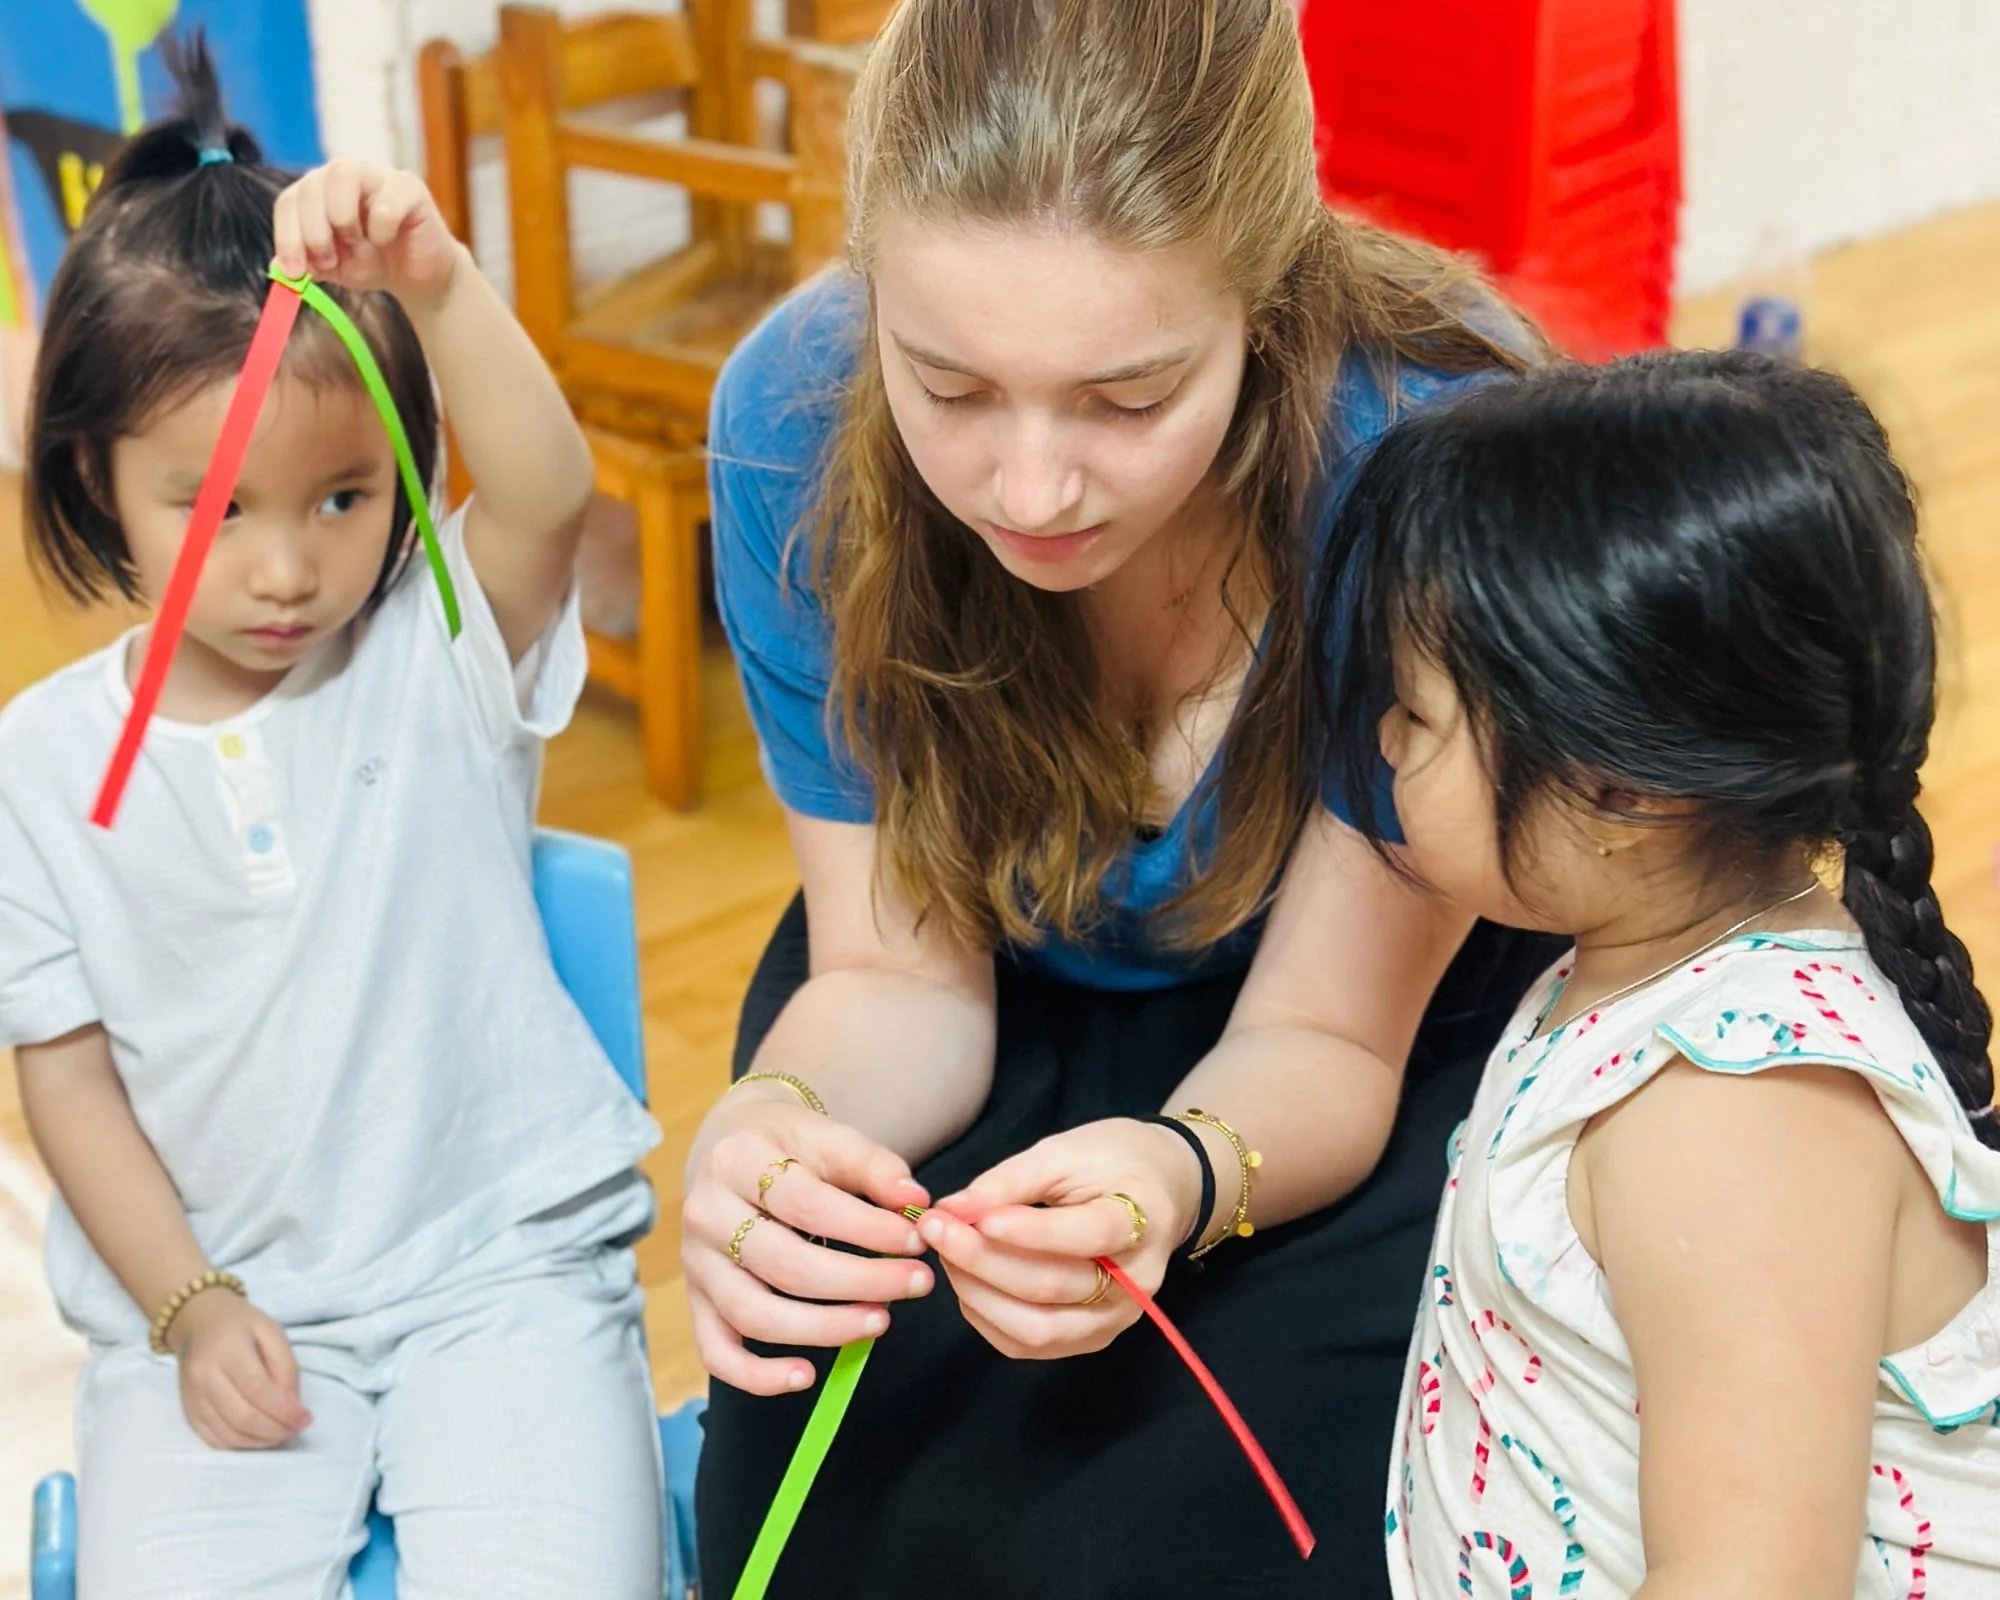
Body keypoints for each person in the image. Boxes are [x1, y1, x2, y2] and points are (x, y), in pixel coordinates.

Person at [683, 1, 1562, 1592]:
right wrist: (770, 1127)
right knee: (810, 1535)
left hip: (1346, 1050)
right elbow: (890, 976)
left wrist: (1175, 1174)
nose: (1029, 490)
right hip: (985, 999)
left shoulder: (1433, 447)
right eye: (946, 388)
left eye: (1128, 398)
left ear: (1269, 293)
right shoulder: (788, 421)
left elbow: (1328, 1038)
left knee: (1191, 1547)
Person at [1, 41, 664, 1598]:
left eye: (346, 498)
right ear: (95, 479)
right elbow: (70, 1085)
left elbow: (551, 490)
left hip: (503, 1276)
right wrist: (188, 1308)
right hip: (223, 1311)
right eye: (215, 505)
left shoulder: (440, 643)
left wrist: (436, 284)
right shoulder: (35, 763)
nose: (289, 571)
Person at [1319, 350, 2000, 1597]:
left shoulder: (1729, 1119)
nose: (1380, 736)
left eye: (1415, 715)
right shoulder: (1643, 958)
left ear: (1622, 787)